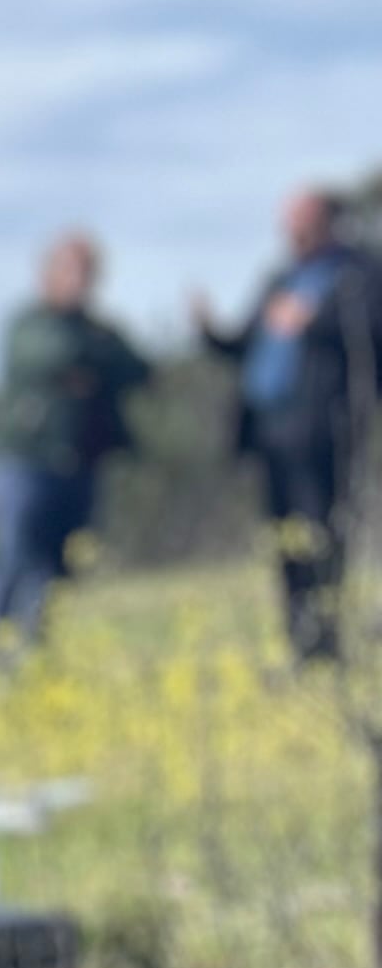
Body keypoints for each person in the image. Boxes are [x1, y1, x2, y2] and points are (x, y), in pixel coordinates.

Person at [197, 187, 382, 665]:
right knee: (286, 543)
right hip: (271, 435)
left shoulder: (358, 273)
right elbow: (243, 340)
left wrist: (312, 319)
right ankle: (301, 646)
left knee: (323, 536)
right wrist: (209, 331)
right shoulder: (282, 277)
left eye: (301, 221)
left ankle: (328, 644)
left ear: (329, 223)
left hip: (326, 432)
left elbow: (370, 336)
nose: (292, 231)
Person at [0, 229, 147, 665]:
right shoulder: (27, 324)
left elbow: (139, 369)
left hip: (80, 466)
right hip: (25, 464)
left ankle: (35, 655)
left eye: (89, 273)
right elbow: (50, 358)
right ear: (49, 273)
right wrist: (89, 363)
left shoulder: (97, 330)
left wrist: (89, 367)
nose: (82, 282)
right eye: (74, 271)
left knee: (57, 569)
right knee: (14, 558)